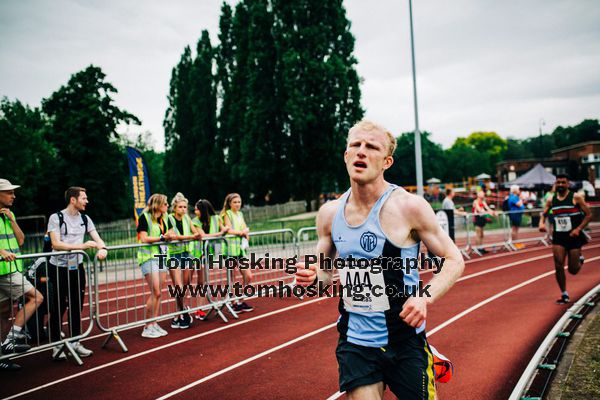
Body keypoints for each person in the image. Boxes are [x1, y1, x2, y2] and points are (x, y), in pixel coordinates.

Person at [295, 120, 465, 400]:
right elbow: (323, 278)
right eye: (355, 145)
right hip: (356, 342)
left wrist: (424, 298)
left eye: (371, 147)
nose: (361, 152)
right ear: (346, 155)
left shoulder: (409, 207)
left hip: (405, 339)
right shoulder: (329, 214)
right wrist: (311, 278)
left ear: (387, 161)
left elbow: (454, 259)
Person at [47, 187, 107, 360]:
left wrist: (103, 249)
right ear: (73, 200)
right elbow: (56, 244)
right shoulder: (56, 217)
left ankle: (75, 342)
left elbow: (97, 238)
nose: (87, 201)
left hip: (77, 267)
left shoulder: (85, 218)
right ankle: (56, 345)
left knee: (77, 304)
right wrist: (82, 247)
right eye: (84, 198)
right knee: (59, 305)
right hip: (58, 267)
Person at [0, 179, 44, 371]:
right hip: (5, 272)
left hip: (10, 270)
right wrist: (1, 251)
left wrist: (11, 219)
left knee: (3, 314)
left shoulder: (9, 215)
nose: (13, 195)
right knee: (37, 297)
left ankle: (2, 354)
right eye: (9, 192)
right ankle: (11, 339)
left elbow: (20, 240)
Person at [539, 174, 591, 304]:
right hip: (559, 236)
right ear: (556, 184)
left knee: (573, 270)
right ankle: (564, 293)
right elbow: (544, 213)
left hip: (573, 236)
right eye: (558, 182)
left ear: (568, 184)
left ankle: (579, 259)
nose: (560, 185)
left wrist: (578, 229)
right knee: (558, 264)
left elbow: (589, 215)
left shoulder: (576, 197)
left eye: (563, 182)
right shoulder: (551, 200)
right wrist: (541, 223)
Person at [137, 193, 175, 338]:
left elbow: (171, 233)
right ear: (158, 204)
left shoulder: (165, 218)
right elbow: (144, 238)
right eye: (165, 204)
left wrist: (168, 235)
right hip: (148, 257)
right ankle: (147, 326)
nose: (167, 206)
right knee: (156, 292)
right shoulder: (145, 217)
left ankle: (154, 322)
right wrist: (161, 237)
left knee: (159, 293)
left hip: (162, 256)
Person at [168, 193, 201, 329]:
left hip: (187, 253)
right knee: (178, 286)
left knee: (186, 284)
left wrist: (197, 235)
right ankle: (182, 312)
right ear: (174, 208)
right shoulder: (169, 218)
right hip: (174, 254)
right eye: (180, 207)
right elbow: (174, 236)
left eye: (185, 207)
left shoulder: (187, 218)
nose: (183, 209)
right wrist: (190, 237)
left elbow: (195, 232)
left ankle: (179, 312)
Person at [191, 199, 228, 320]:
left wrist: (223, 230)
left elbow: (224, 229)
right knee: (200, 282)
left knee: (205, 281)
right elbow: (202, 236)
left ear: (203, 209)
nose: (195, 211)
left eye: (197, 209)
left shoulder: (216, 218)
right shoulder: (195, 221)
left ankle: (199, 308)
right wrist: (219, 234)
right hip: (197, 254)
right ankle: (197, 309)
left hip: (209, 253)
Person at [221, 193, 253, 313]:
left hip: (240, 250)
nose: (237, 204)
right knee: (232, 277)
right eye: (235, 202)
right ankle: (233, 302)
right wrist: (241, 233)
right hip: (229, 250)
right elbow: (228, 229)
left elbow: (245, 228)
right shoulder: (227, 214)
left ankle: (240, 300)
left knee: (248, 276)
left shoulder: (240, 214)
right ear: (229, 203)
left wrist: (246, 234)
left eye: (239, 202)